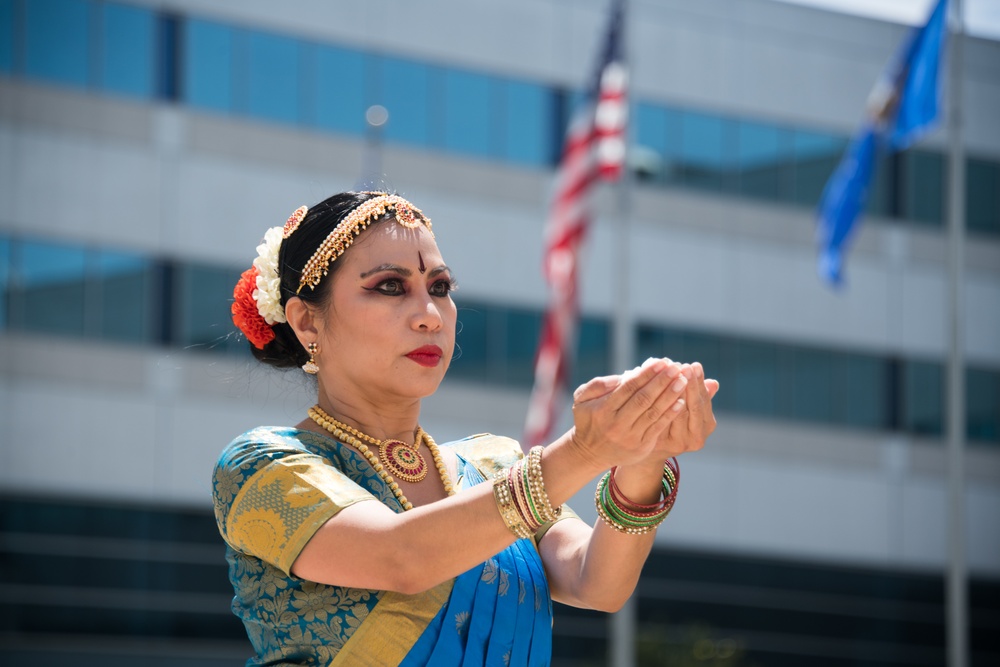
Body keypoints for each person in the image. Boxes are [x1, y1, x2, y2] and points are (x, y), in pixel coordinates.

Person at [213, 191, 719, 666]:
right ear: (305, 322)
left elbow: (598, 583)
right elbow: (402, 558)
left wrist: (643, 454)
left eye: (440, 288)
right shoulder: (265, 465)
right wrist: (585, 451)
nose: (430, 316)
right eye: (390, 287)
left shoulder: (493, 464)